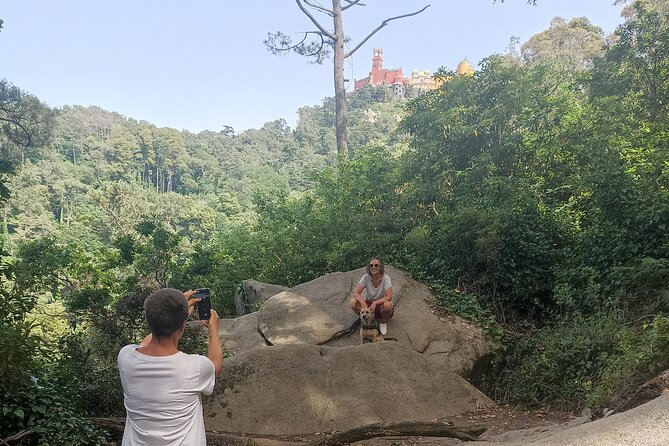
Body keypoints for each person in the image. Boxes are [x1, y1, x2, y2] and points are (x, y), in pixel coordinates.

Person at [117, 288, 223, 446]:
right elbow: (216, 364)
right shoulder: (193, 367)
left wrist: (173, 315)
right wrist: (213, 330)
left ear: (149, 321)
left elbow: (145, 344)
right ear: (182, 326)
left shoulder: (126, 358)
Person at [351, 258, 394, 335]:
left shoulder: (386, 278)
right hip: (369, 306)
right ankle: (365, 318)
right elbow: (356, 293)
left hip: (380, 306)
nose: (373, 267)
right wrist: (363, 303)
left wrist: (376, 303)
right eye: (371, 265)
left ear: (381, 267)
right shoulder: (366, 277)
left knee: (388, 305)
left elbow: (389, 297)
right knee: (353, 302)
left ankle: (383, 322)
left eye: (376, 265)